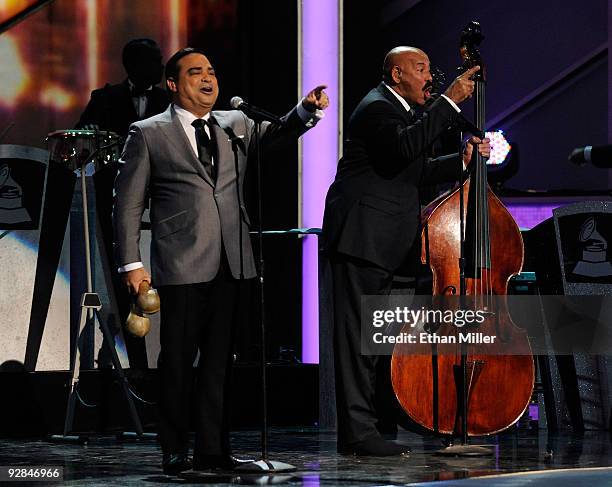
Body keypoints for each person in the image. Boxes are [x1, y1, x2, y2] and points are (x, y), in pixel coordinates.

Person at [113, 47, 329, 475]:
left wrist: (304, 111)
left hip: (233, 258)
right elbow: (126, 204)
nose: (208, 79)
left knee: (219, 363)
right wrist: (131, 265)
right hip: (181, 261)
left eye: (211, 71)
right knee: (177, 360)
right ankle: (175, 449)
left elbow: (278, 135)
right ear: (173, 84)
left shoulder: (236, 124)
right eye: (196, 73)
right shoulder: (148, 132)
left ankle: (214, 449)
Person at [321, 46, 490, 456]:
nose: (429, 77)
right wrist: (450, 100)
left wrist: (461, 160)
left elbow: (415, 168)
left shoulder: (403, 113)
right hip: (362, 237)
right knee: (357, 342)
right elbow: (402, 149)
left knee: (376, 340)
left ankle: (376, 425)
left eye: (431, 69)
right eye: (420, 69)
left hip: (385, 241)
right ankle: (358, 433)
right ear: (396, 75)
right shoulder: (377, 108)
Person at [76, 38, 170, 370]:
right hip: (116, 204)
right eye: (154, 60)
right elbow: (78, 140)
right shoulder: (104, 99)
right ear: (132, 65)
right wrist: (87, 133)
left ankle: (169, 364)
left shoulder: (169, 99)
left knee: (164, 283)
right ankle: (137, 366)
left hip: (162, 204)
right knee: (125, 283)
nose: (161, 66)